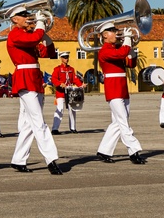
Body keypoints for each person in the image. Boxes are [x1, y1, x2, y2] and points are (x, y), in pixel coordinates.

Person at [7, 8, 62, 174]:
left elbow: (49, 52)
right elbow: (32, 40)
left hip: (34, 79)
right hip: (25, 79)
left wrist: (44, 32)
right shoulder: (15, 34)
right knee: (39, 121)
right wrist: (39, 25)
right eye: (23, 16)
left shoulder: (28, 36)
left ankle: (18, 159)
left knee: (29, 124)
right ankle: (51, 159)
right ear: (15, 19)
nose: (27, 18)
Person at [94, 24, 146, 164]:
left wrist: (131, 48)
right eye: (112, 31)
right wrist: (127, 41)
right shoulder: (104, 51)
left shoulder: (117, 49)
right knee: (123, 121)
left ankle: (104, 151)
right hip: (114, 90)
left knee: (117, 122)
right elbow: (121, 54)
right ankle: (133, 151)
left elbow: (131, 64)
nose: (116, 33)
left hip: (122, 89)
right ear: (104, 35)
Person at [50, 51, 83, 135]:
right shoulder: (57, 69)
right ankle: (55, 129)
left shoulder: (71, 69)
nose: (66, 59)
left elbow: (75, 79)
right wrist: (60, 84)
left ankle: (73, 127)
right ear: (61, 58)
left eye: (67, 57)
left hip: (70, 92)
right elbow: (53, 79)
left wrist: (81, 85)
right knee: (60, 109)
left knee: (73, 110)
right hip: (60, 92)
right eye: (64, 57)